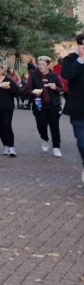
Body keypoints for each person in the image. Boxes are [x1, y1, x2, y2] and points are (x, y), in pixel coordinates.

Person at [23, 56, 66, 156]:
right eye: (39, 64)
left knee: (54, 126)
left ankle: (56, 147)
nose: (41, 66)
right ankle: (45, 139)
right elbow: (27, 89)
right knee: (41, 125)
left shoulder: (54, 76)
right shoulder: (33, 76)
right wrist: (33, 92)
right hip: (39, 105)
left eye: (43, 64)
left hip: (53, 105)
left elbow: (62, 89)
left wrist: (55, 88)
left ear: (48, 65)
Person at [61, 34, 84, 184]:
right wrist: (81, 59)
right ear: (80, 45)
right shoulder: (70, 59)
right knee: (82, 143)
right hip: (78, 107)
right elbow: (67, 75)